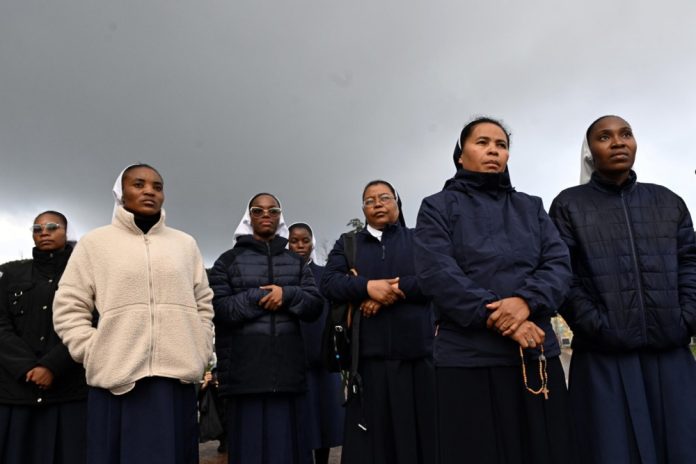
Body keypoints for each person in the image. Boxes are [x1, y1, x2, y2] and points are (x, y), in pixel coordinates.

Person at [413, 117, 577, 464]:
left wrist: (525, 302)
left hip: (535, 354)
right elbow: (438, 273)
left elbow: (558, 264)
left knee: (545, 450)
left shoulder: (530, 207)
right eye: (482, 142)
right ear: (460, 155)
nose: (493, 150)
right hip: (467, 357)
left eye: (501, 145)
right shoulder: (437, 207)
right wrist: (510, 321)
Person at [549, 115, 696, 464]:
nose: (618, 142)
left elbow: (690, 263)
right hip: (604, 359)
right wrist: (598, 326)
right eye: (605, 137)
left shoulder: (668, 201)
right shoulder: (568, 205)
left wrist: (686, 318)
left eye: (625, 134)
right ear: (591, 152)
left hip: (670, 353)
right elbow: (563, 275)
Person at [52, 164, 214, 464]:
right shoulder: (95, 243)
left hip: (174, 383)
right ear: (121, 192)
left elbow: (203, 302)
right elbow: (69, 305)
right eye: (138, 184)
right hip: (118, 380)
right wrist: (93, 350)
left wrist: (201, 347)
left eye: (157, 186)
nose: (149, 191)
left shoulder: (185, 244)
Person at [321, 180, 435, 464]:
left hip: (418, 359)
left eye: (384, 197)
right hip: (369, 363)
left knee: (422, 442)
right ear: (363, 209)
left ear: (397, 202)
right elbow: (330, 282)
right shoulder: (349, 244)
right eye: (369, 200)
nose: (377, 204)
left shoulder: (420, 238)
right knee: (372, 447)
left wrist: (392, 291)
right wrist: (366, 288)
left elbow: (435, 279)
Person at [209, 193, 323, 464]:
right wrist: (258, 296)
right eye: (258, 211)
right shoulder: (226, 262)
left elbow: (314, 306)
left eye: (273, 210)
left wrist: (287, 295)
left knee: (289, 454)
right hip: (244, 377)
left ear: (279, 217)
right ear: (249, 217)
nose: (266, 215)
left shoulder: (296, 263)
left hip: (288, 377)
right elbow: (220, 309)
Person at [0, 211, 88, 464]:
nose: (44, 232)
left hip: (69, 391)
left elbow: (93, 321)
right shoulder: (9, 274)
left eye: (51, 226)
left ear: (66, 231)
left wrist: (52, 366)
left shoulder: (85, 274)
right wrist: (26, 367)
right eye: (37, 228)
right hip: (16, 391)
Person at [287, 222, 344, 464]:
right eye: (294, 241)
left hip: (325, 358)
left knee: (326, 419)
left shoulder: (325, 275)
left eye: (305, 240)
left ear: (312, 242)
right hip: (293, 360)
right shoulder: (282, 276)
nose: (300, 246)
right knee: (300, 421)